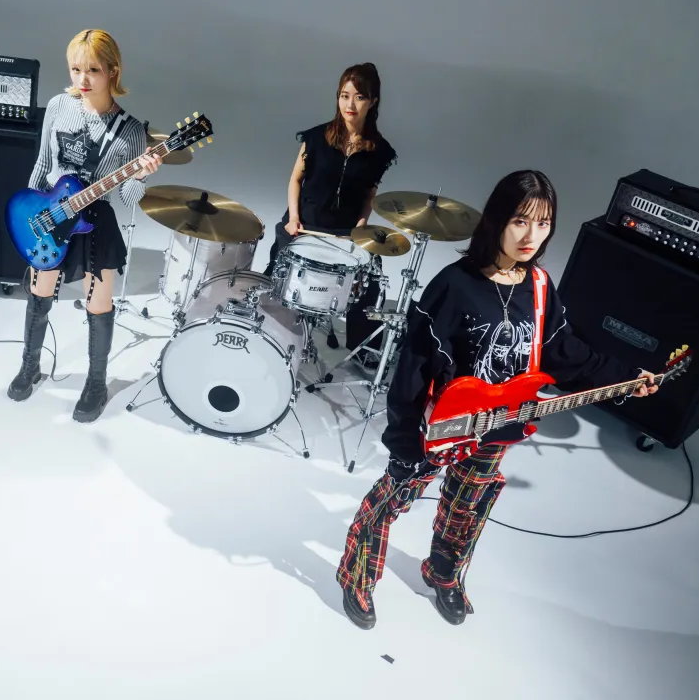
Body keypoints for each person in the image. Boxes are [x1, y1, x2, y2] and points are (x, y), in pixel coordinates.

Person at [335, 170, 659, 629]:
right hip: (439, 425)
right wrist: (404, 438)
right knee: (392, 498)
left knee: (468, 507)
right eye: (520, 221)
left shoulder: (540, 287)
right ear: (496, 220)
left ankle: (443, 574)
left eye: (543, 223)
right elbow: (414, 366)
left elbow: (564, 352)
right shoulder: (454, 285)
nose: (532, 236)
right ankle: (356, 575)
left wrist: (627, 377)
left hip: (499, 425)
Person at [6, 29, 163, 422]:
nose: (83, 79)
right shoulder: (60, 105)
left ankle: (96, 383)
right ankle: (29, 365)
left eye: (93, 70)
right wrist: (32, 211)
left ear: (113, 71)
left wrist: (141, 175)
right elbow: (43, 164)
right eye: (76, 69)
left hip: (94, 221)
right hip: (49, 214)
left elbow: (128, 199)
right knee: (38, 293)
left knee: (98, 303)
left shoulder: (130, 130)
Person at [263, 63, 398, 364]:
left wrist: (360, 229)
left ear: (373, 101)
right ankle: (267, 330)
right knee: (278, 270)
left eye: (359, 97)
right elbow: (295, 179)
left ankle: (363, 350)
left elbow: (369, 197)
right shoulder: (315, 138)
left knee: (371, 274)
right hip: (304, 222)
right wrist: (293, 218)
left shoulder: (379, 151)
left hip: (343, 231)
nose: (350, 104)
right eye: (344, 95)